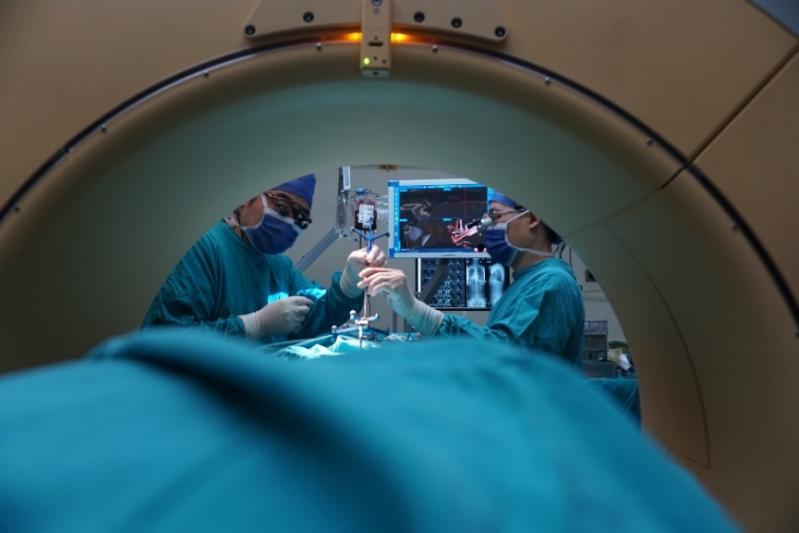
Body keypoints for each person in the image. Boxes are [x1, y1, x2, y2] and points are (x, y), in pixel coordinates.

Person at [143, 174, 386, 343]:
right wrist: (253, 325)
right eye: (281, 207)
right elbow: (167, 338)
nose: (289, 222)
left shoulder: (278, 266)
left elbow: (313, 315)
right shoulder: (202, 247)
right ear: (245, 198)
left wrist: (348, 285)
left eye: (299, 218)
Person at [358, 190, 585, 364]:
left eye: (496, 216)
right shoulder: (528, 280)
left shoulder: (550, 284)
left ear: (533, 218)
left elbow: (505, 358)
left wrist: (420, 313)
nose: (486, 228)